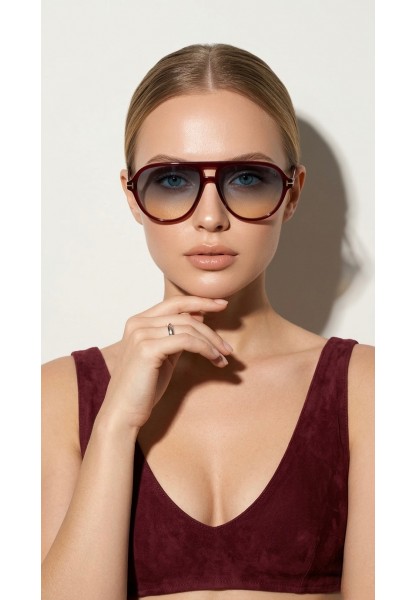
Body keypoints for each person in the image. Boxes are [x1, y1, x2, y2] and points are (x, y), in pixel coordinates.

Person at [41, 44, 374, 600]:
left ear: (293, 193)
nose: (212, 217)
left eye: (247, 178)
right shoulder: (56, 396)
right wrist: (115, 422)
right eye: (172, 180)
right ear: (132, 195)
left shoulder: (367, 389)